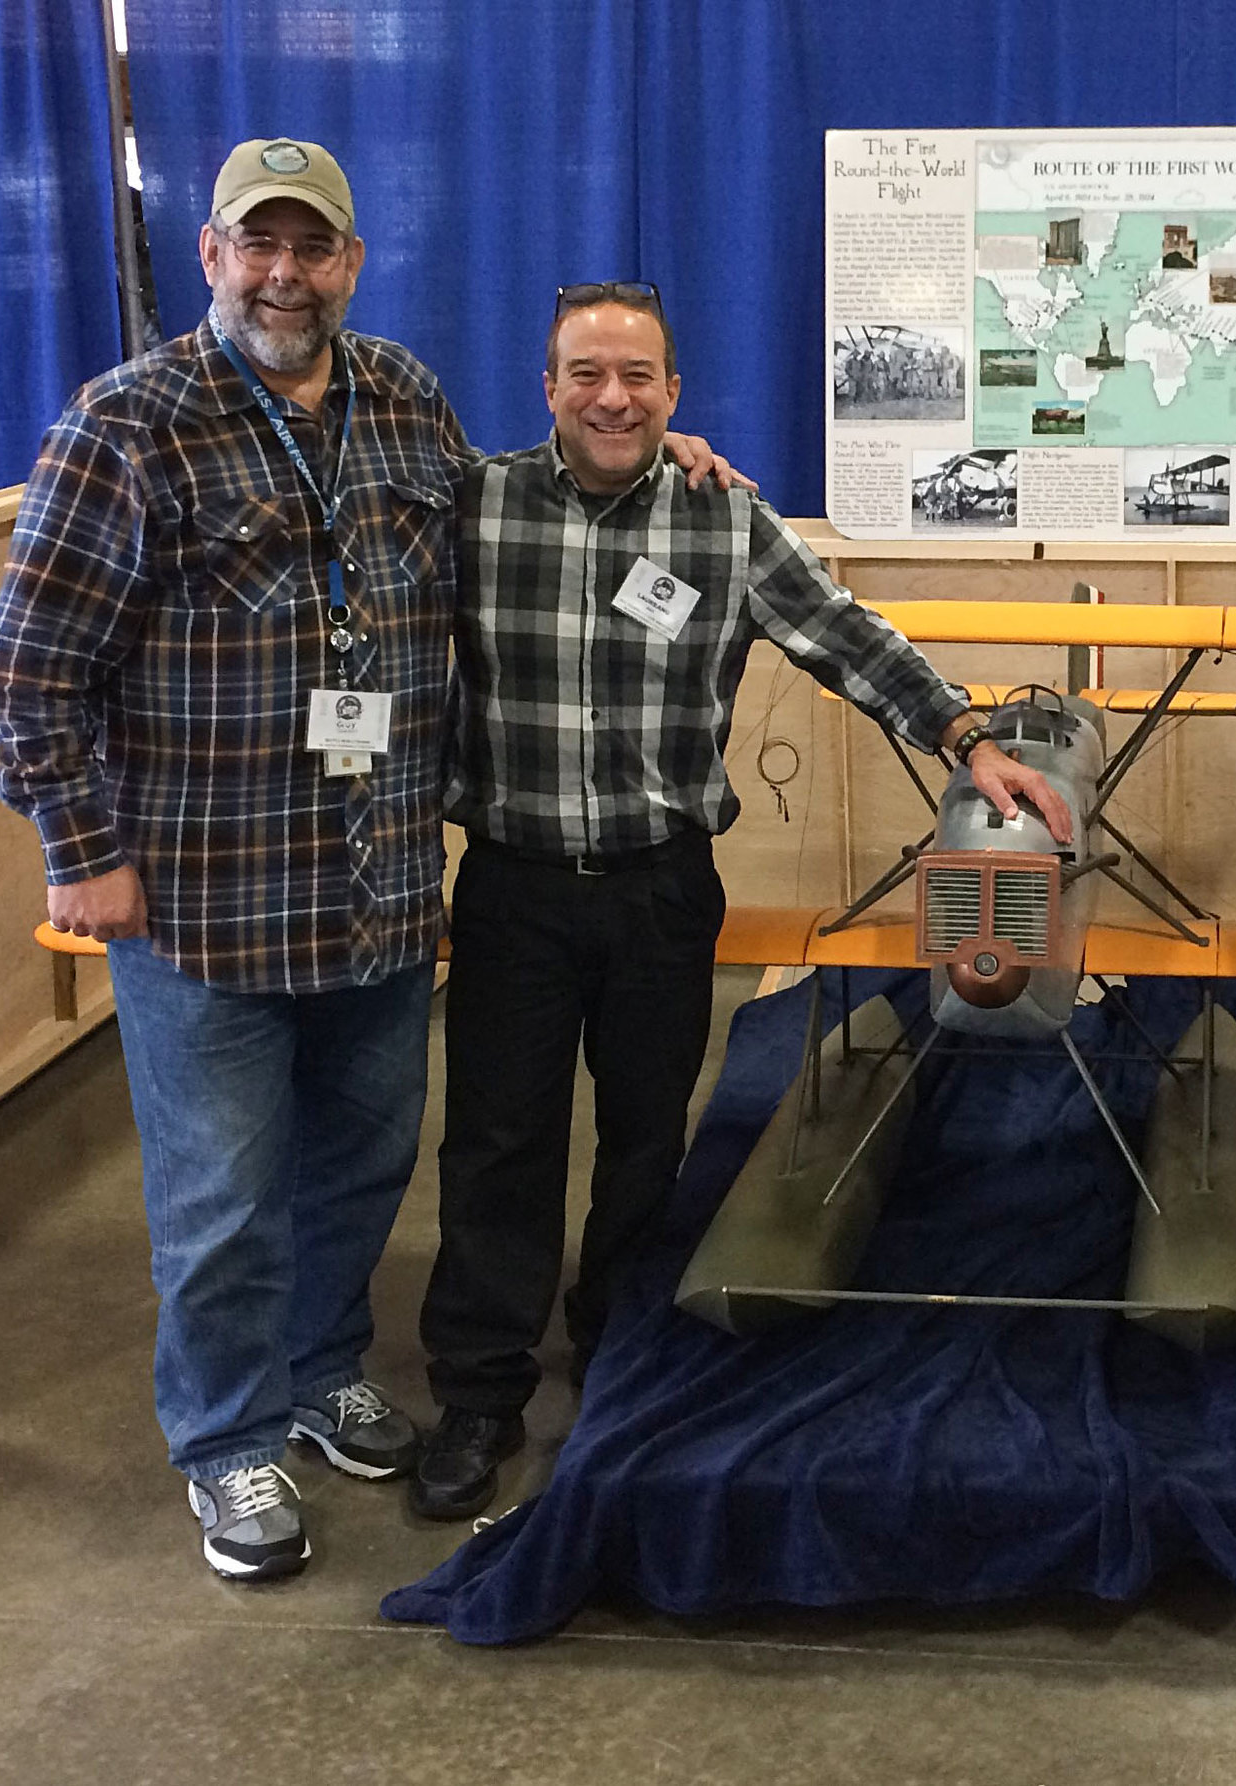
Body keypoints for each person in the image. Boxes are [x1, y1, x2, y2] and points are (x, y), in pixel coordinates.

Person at [0, 139, 728, 1582]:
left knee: (361, 1167)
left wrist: (665, 472)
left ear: (352, 263)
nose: (285, 273)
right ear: (207, 256)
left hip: (378, 894)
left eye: (310, 247)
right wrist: (83, 850)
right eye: (256, 245)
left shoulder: (403, 402)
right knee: (220, 1200)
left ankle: (322, 1374)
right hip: (201, 903)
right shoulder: (125, 425)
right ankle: (225, 1438)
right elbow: (28, 669)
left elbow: (523, 518)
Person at [408, 282, 1072, 1520]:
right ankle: (481, 1391)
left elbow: (844, 633)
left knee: (648, 1139)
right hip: (514, 884)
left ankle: (618, 1348)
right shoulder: (475, 504)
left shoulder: (724, 519)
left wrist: (967, 737)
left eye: (639, 377)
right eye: (587, 374)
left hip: (662, 888)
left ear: (674, 392)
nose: (614, 398)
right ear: (545, 386)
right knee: (498, 1142)